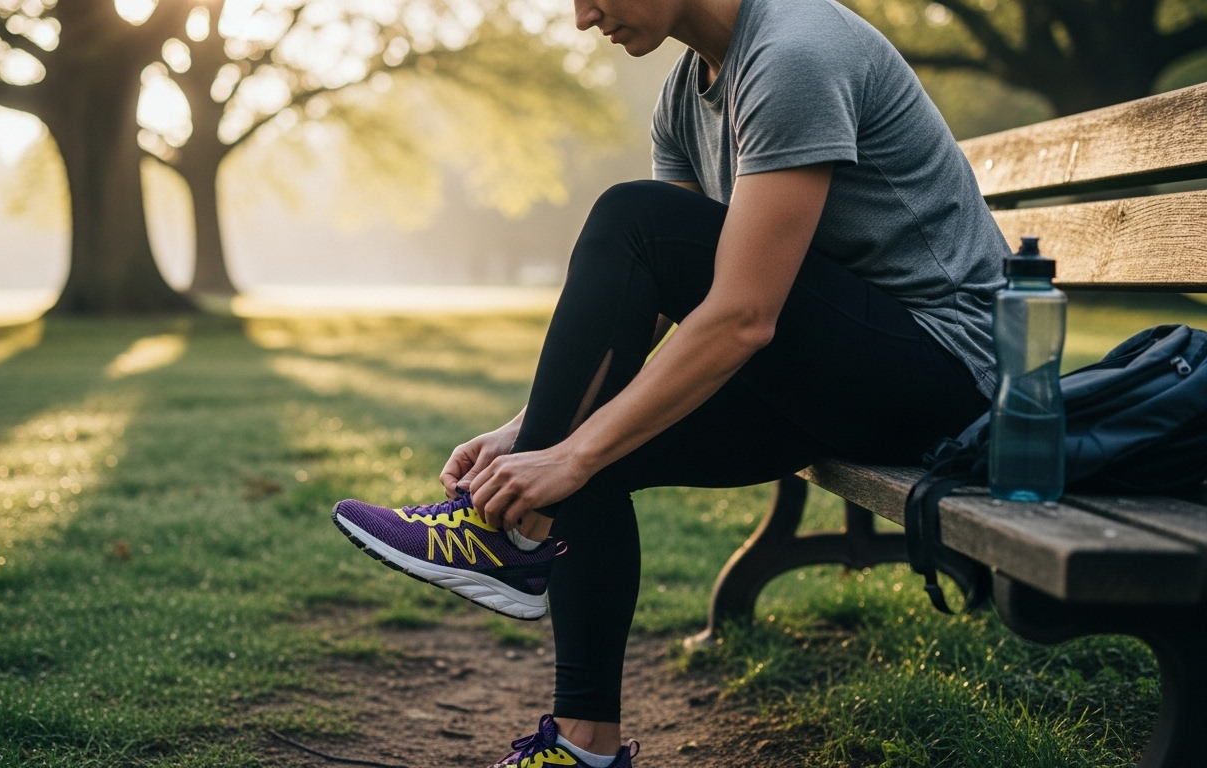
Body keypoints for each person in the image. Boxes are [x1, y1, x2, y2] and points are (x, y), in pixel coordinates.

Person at [331, 0, 1007, 763]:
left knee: (629, 227)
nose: (583, 16)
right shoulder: (683, 98)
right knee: (591, 447)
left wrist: (569, 452)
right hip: (843, 372)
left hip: (951, 375)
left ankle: (507, 536)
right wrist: (531, 434)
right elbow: (649, 296)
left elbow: (742, 314)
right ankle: (585, 744)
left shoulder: (794, 52)